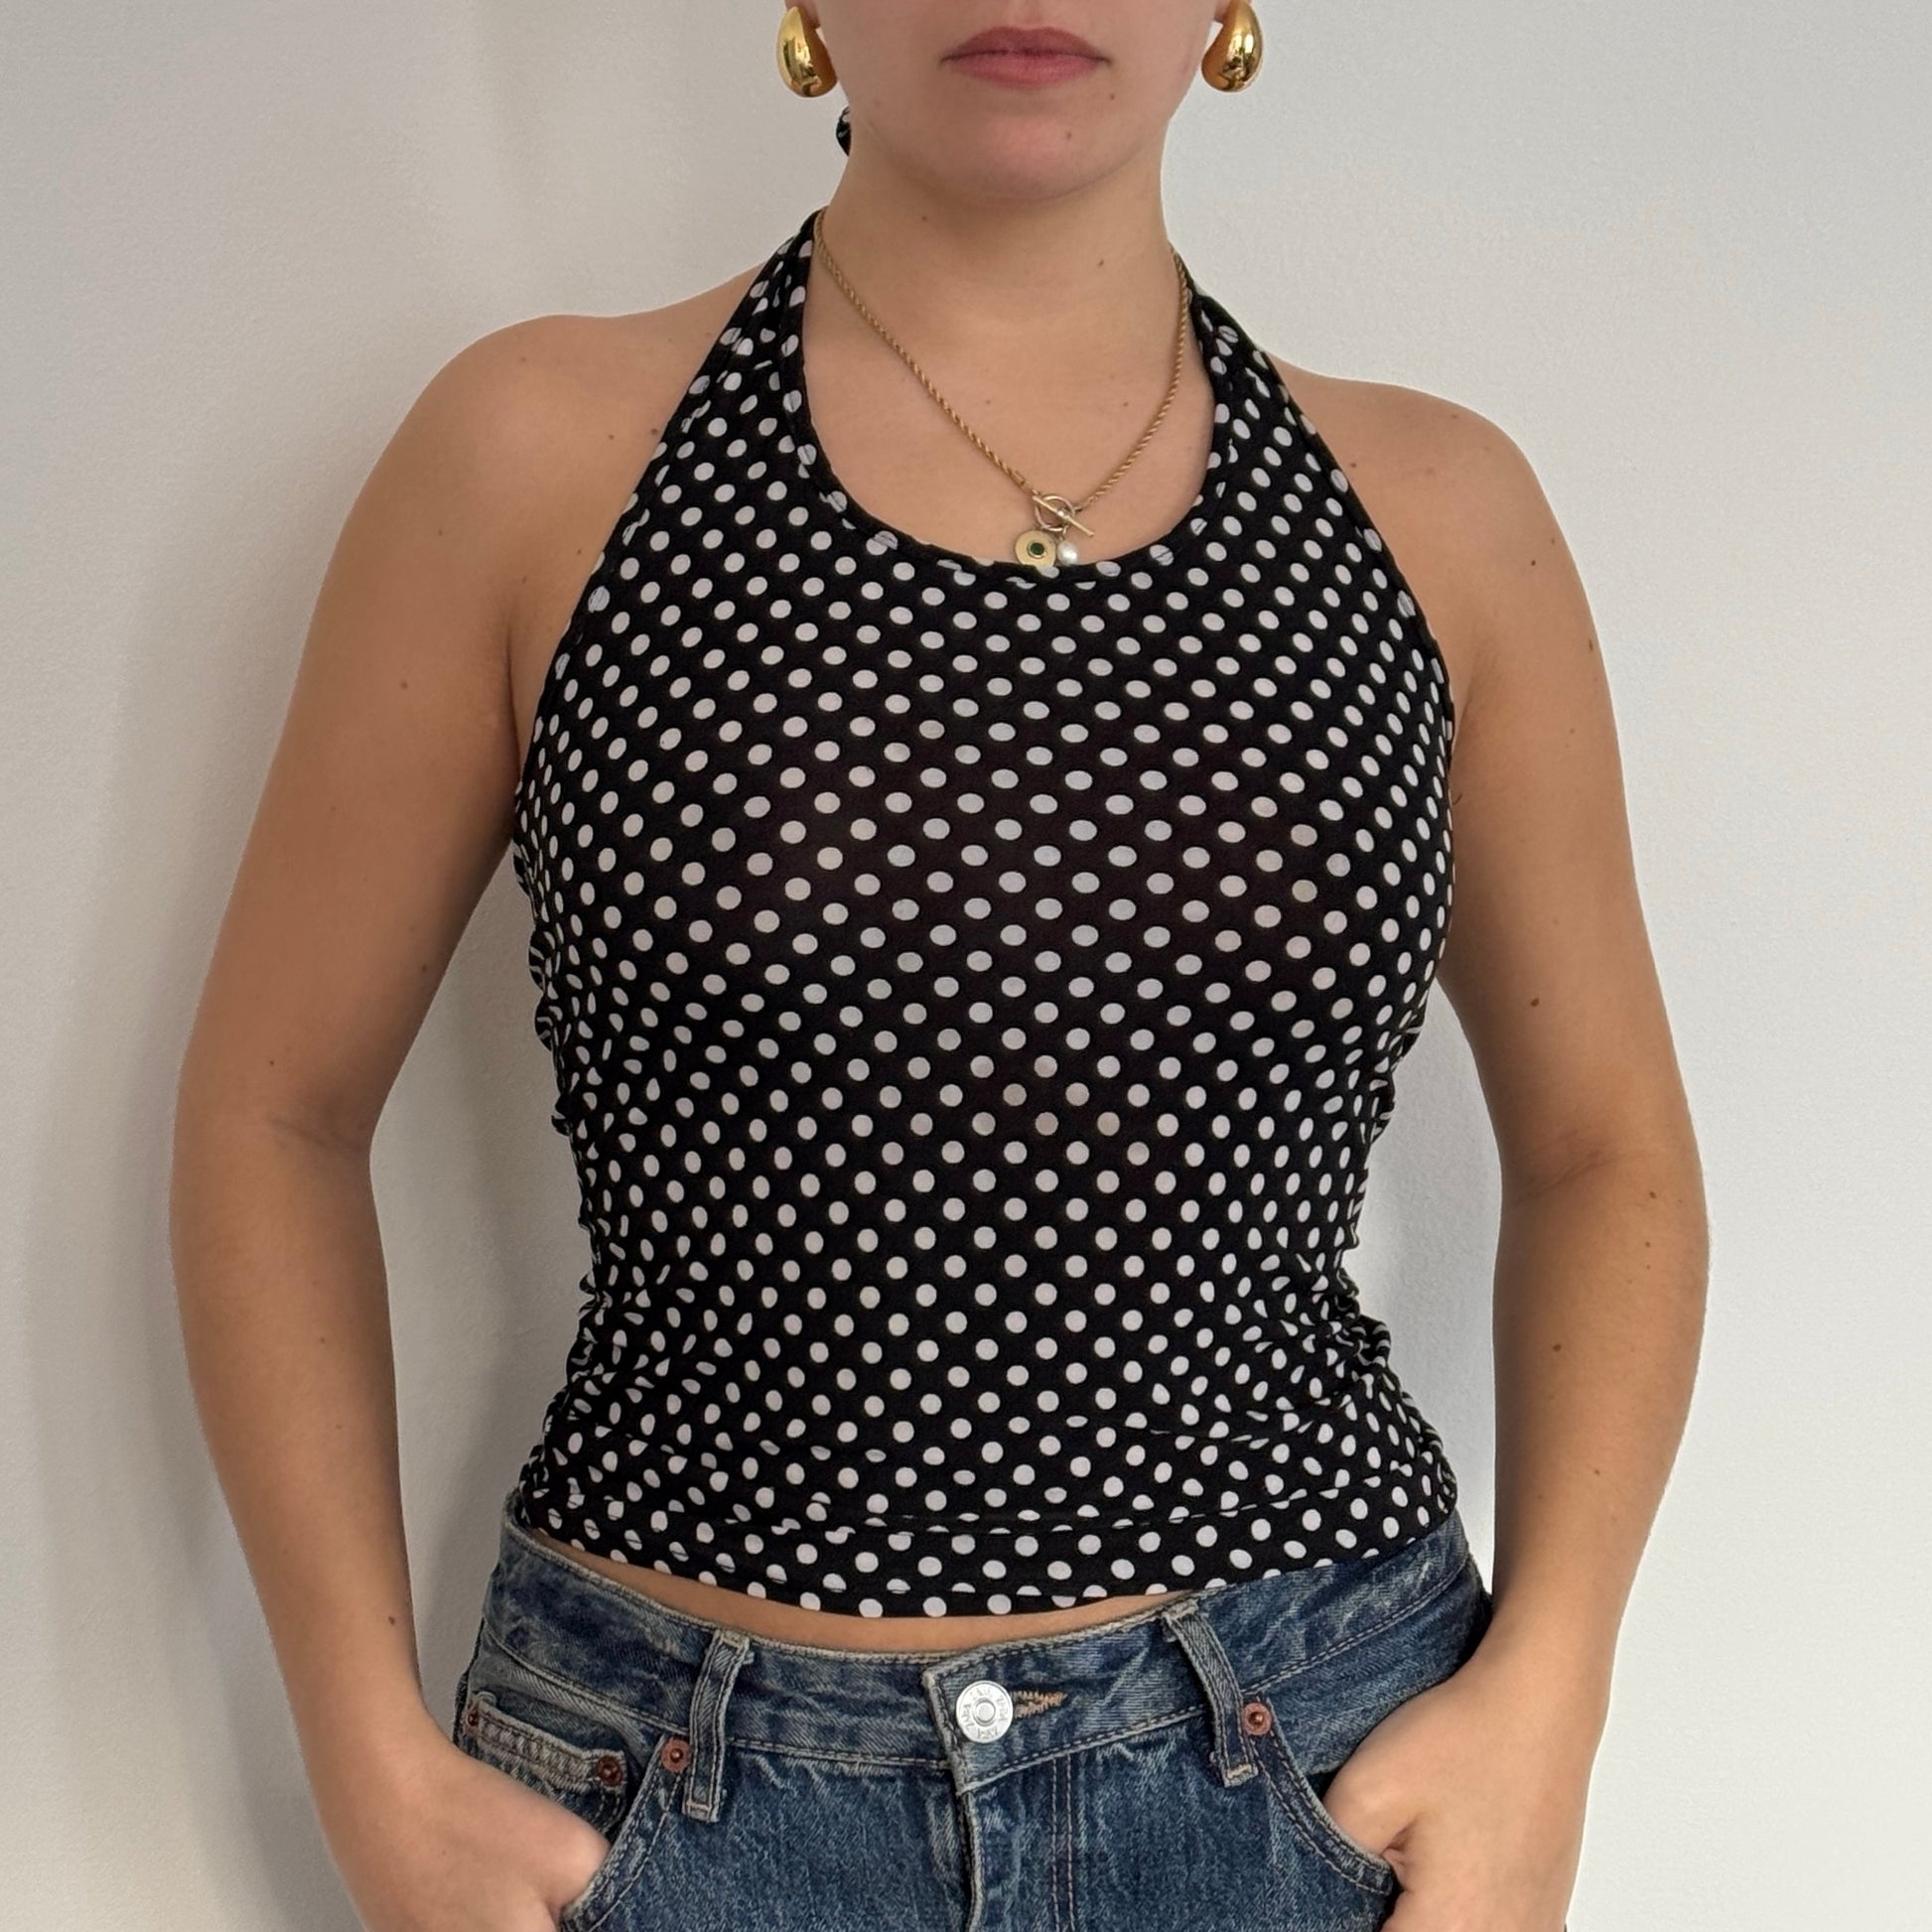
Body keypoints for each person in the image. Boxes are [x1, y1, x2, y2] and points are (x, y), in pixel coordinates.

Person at [170, 6, 1708, 1929]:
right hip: (668, 1799)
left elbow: (1605, 1147)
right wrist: (362, 1756)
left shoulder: (1436, 513)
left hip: (1318, 1770)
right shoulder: (537, 454)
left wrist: (1553, 1693)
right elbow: (277, 1112)